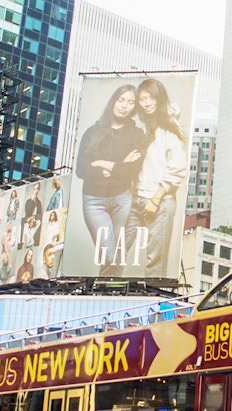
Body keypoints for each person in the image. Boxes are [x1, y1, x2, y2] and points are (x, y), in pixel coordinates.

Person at [76, 84, 145, 277]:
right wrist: (118, 165)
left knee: (116, 254)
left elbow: (131, 170)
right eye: (121, 100)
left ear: (135, 107)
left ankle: (106, 294)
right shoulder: (93, 132)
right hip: (94, 201)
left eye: (130, 102)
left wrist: (101, 163)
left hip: (123, 198)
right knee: (110, 253)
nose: (124, 106)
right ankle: (109, 291)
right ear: (113, 101)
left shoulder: (137, 135)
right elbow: (81, 170)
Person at [124, 78, 188, 278]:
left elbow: (178, 168)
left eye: (151, 97)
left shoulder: (169, 127)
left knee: (155, 263)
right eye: (142, 98)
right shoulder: (141, 126)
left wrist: (156, 198)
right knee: (114, 252)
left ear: (159, 99)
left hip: (159, 201)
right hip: (134, 198)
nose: (146, 102)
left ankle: (153, 307)